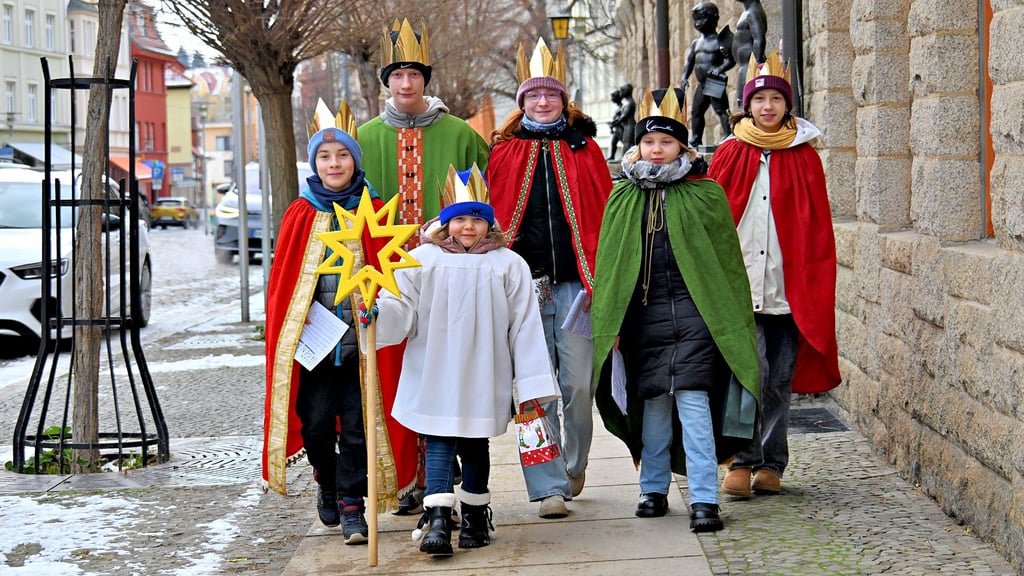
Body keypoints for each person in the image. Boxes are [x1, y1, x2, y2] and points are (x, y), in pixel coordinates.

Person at [362, 165, 559, 556]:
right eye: (460, 220)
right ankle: (437, 518)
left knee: (473, 442)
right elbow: (403, 308)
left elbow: (524, 325)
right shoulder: (421, 260)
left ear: (489, 224)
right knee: (437, 439)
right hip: (434, 366)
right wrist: (380, 315)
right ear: (445, 222)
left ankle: (474, 515)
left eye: (477, 219)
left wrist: (530, 381)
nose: (468, 227)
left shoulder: (508, 265)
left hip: (485, 369)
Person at [590, 87, 760, 533]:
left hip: (697, 319)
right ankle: (652, 489)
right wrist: (612, 323)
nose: (657, 150)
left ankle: (704, 498)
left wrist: (725, 322)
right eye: (650, 142)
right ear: (639, 145)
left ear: (682, 146)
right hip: (644, 321)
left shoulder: (705, 195)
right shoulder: (623, 197)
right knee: (653, 408)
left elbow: (725, 266)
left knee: (694, 405)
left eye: (666, 142)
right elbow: (610, 267)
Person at [261, 105, 414, 545]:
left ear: (355, 161)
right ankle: (325, 482)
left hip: (361, 345)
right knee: (315, 425)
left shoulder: (376, 211)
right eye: (325, 157)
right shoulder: (300, 213)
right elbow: (284, 284)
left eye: (342, 156)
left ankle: (352, 504)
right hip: (313, 348)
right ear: (315, 164)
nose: (334, 164)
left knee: (358, 427)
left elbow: (395, 275)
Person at [359, 18, 491, 515]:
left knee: (451, 371)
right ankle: (407, 477)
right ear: (387, 81)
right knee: (398, 374)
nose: (406, 83)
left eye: (414, 74)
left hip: (451, 275)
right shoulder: (365, 137)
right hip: (388, 275)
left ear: (425, 79)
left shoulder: (459, 134)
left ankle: (448, 471)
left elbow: (485, 200)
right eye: (398, 74)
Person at [487, 37, 613, 519]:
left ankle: (574, 464)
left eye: (551, 95)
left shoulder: (586, 151)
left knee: (579, 384)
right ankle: (547, 485)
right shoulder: (503, 154)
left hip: (577, 289)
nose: (543, 102)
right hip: (525, 290)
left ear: (565, 100)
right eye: (534, 96)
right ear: (522, 104)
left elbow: (604, 216)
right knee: (533, 390)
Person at [708, 52, 842, 498]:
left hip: (787, 289)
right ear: (748, 104)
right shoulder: (729, 153)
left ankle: (773, 462)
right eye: (759, 99)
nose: (767, 107)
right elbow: (711, 220)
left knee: (780, 378)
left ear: (788, 105)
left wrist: (815, 283)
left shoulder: (804, 157)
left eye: (775, 99)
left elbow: (816, 230)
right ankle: (742, 461)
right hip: (740, 287)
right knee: (750, 373)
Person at [681, 2, 735, 147]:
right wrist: (685, 76)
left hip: (714, 81)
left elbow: (731, 60)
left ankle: (729, 134)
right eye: (696, 19)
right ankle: (696, 137)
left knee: (721, 109)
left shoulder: (720, 41)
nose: (698, 23)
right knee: (696, 111)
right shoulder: (695, 43)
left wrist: (720, 68)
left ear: (713, 19)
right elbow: (689, 62)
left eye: (702, 18)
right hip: (702, 83)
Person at [732, 0, 768, 108]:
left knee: (745, 103)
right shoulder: (748, 11)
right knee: (742, 102)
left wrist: (756, 64)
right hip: (745, 65)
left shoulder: (753, 12)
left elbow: (759, 39)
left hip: (750, 65)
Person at [607, 88, 626, 160]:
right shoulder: (618, 107)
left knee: (624, 142)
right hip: (616, 128)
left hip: (620, 128)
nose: (612, 99)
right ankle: (612, 156)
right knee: (613, 142)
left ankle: (625, 156)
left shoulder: (622, 107)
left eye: (613, 97)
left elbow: (621, 118)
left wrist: (613, 123)